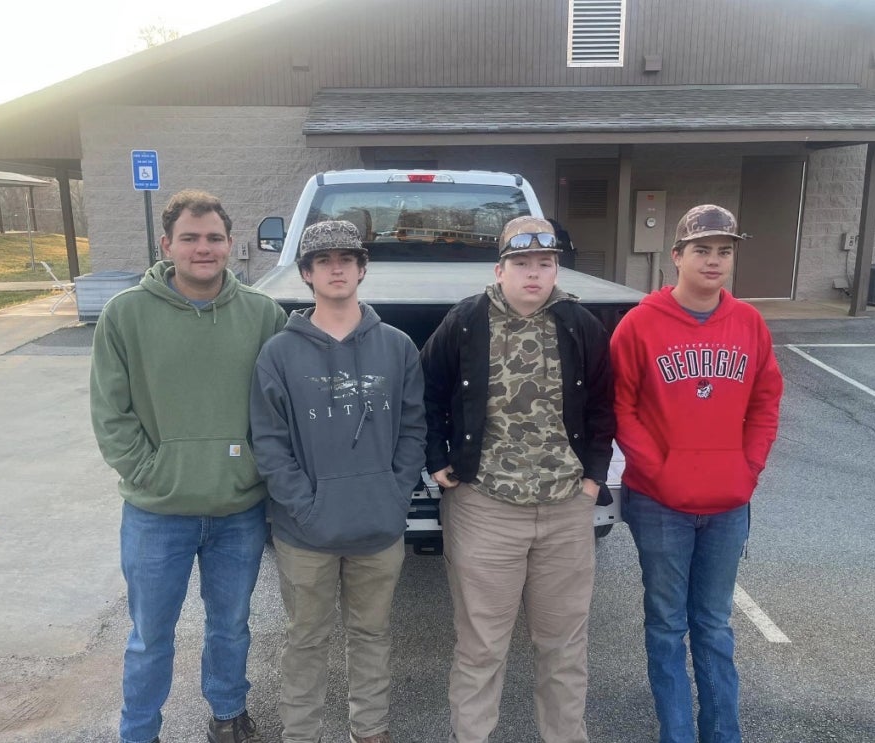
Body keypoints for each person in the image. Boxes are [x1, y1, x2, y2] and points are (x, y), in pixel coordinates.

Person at [90, 189, 286, 743]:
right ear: (166, 244)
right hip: (157, 513)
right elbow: (111, 412)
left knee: (231, 627)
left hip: (237, 509)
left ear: (231, 244)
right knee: (150, 636)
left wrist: (252, 469)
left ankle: (227, 716)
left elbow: (276, 410)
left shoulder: (263, 315)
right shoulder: (125, 314)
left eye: (215, 238)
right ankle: (139, 731)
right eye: (191, 238)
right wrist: (152, 472)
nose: (204, 248)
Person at [420, 215, 615, 743]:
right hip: (485, 507)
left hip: (566, 508)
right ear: (500, 268)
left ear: (555, 268)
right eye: (522, 263)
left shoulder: (580, 325)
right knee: (482, 647)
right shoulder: (465, 322)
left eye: (544, 264)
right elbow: (427, 392)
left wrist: (594, 477)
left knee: (563, 647)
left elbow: (602, 404)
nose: (534, 274)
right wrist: (437, 458)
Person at [610, 204, 783, 743]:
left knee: (714, 626)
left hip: (729, 504)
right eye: (702, 250)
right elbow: (620, 407)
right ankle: (677, 734)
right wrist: (659, 470)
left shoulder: (749, 322)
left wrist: (748, 467)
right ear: (676, 256)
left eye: (724, 252)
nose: (714, 261)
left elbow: (765, 399)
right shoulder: (640, 323)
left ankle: (722, 734)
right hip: (661, 505)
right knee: (666, 627)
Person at [249, 220, 426, 743]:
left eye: (347, 258)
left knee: (372, 635)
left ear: (363, 268)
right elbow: (270, 443)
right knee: (305, 640)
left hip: (379, 527)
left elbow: (414, 429)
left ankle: (370, 731)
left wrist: (395, 497)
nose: (336, 267)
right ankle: (301, 733)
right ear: (306, 273)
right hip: (305, 534)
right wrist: (305, 508)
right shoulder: (278, 354)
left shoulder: (397, 347)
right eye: (323, 260)